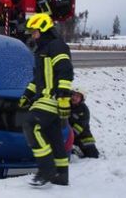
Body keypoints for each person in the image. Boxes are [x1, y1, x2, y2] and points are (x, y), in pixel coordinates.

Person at [19, 13, 74, 187]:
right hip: (45, 97)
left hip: (52, 98)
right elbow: (38, 79)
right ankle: (61, 175)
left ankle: (46, 169)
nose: (32, 35)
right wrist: (27, 95)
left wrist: (64, 98)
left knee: (30, 124)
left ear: (43, 29)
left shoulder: (56, 46)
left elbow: (65, 71)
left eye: (34, 32)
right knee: (54, 136)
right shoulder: (42, 50)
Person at [69, 88, 99, 158]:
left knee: (93, 156)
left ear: (82, 99)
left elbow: (79, 127)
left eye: (77, 96)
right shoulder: (66, 105)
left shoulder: (84, 110)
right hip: (67, 134)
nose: (74, 98)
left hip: (83, 136)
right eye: (74, 95)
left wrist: (69, 138)